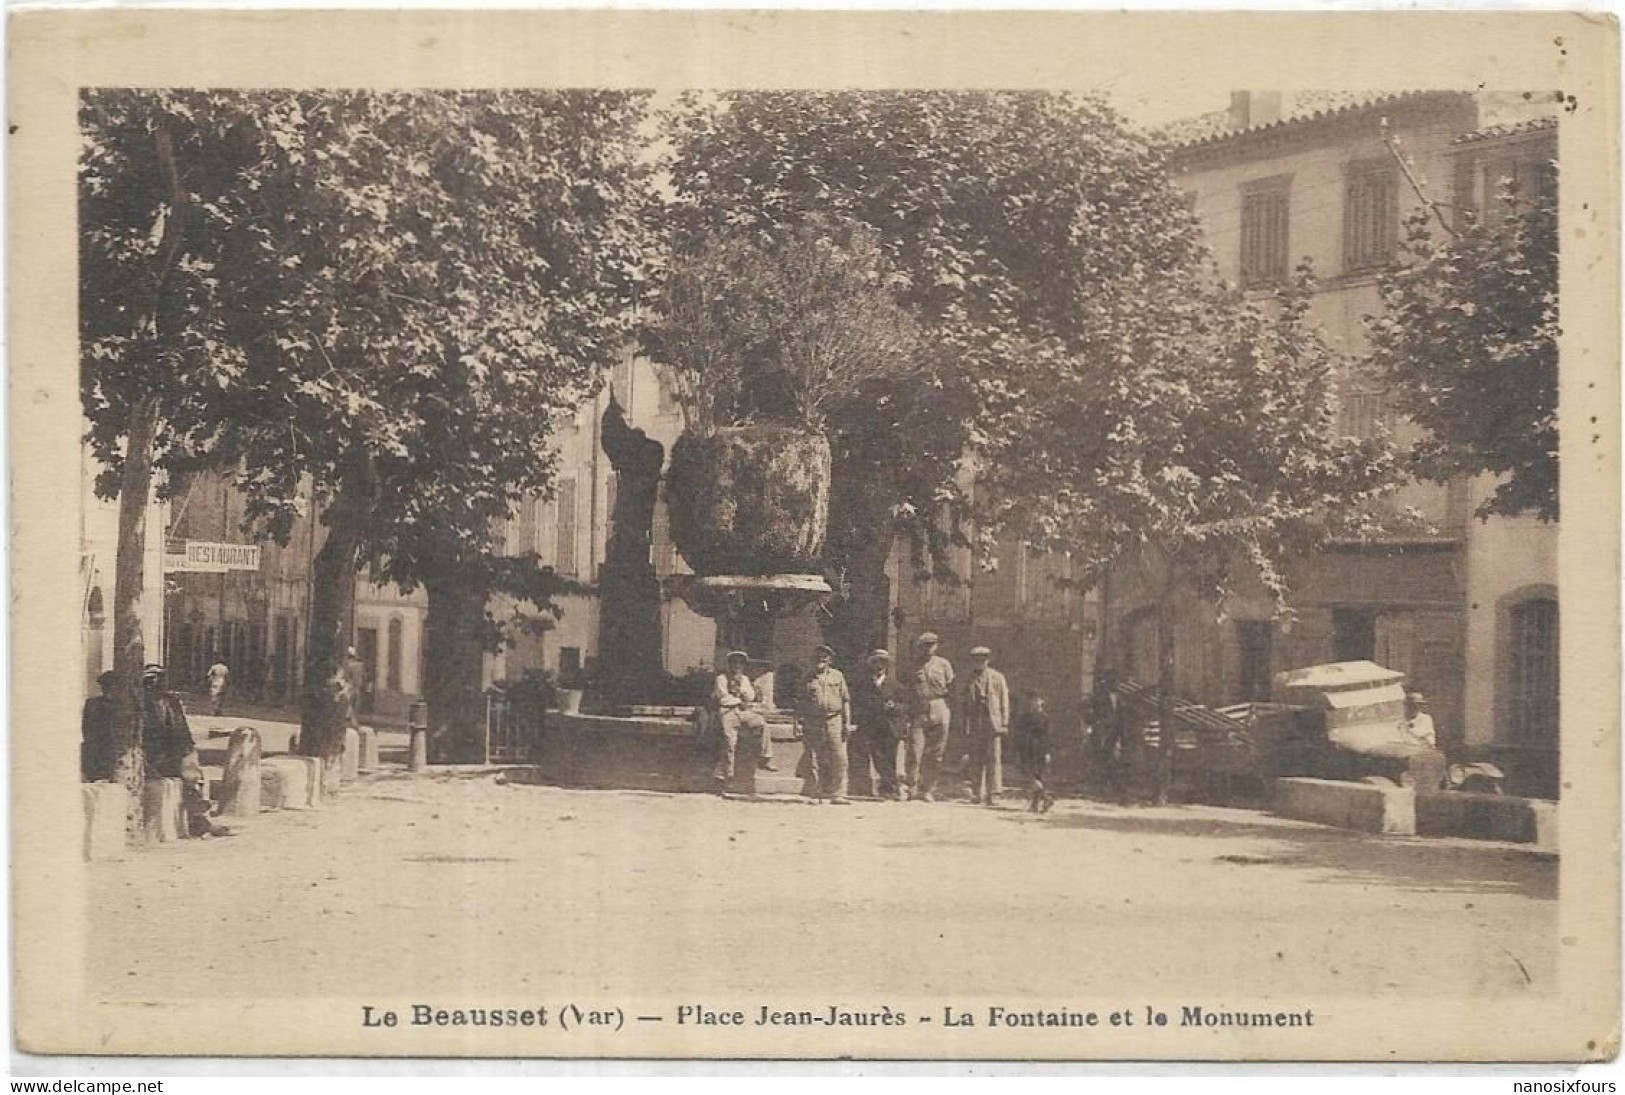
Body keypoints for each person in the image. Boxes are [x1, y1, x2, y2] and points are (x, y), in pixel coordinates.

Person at [139, 664, 230, 838]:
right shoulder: (139, 704)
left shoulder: (171, 702)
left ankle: (200, 819)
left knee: (192, 776)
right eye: (151, 680)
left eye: (160, 679)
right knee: (184, 778)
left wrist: (189, 753)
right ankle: (199, 821)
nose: (157, 684)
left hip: (172, 753)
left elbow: (181, 731)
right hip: (150, 756)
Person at [712, 650, 773, 792]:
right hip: (727, 712)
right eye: (734, 662)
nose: (737, 666)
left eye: (740, 663)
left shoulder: (744, 679)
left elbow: (750, 697)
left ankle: (765, 756)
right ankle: (728, 777)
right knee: (729, 742)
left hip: (743, 711)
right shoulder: (721, 678)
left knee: (762, 723)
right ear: (729, 664)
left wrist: (742, 689)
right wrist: (739, 700)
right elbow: (723, 698)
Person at [849, 648, 906, 799]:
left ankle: (889, 789)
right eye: (876, 662)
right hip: (870, 726)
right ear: (872, 665)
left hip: (889, 727)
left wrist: (895, 707)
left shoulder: (895, 685)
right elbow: (857, 704)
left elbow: (906, 705)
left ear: (887, 666)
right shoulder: (864, 685)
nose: (879, 666)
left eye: (883, 663)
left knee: (889, 758)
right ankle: (863, 788)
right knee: (874, 756)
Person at [798, 645, 852, 805]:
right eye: (818, 657)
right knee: (814, 756)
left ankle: (838, 793)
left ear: (830, 660)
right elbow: (800, 702)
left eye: (825, 657)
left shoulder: (838, 676)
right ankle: (816, 792)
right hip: (813, 720)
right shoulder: (807, 677)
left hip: (834, 719)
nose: (821, 660)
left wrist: (847, 722)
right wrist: (798, 722)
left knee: (839, 757)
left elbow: (846, 700)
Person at [905, 632, 955, 802]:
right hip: (919, 709)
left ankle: (928, 789)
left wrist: (946, 710)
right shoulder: (912, 666)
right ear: (919, 647)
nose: (928, 648)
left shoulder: (944, 664)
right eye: (925, 645)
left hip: (939, 706)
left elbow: (951, 687)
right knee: (914, 750)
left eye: (932, 644)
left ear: (936, 646)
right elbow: (907, 690)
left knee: (935, 753)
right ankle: (911, 787)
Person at [959, 645, 1010, 805]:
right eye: (977, 660)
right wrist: (964, 724)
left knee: (994, 759)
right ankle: (977, 792)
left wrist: (1004, 722)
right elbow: (962, 703)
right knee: (976, 759)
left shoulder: (997, 677)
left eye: (983, 659)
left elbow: (1004, 701)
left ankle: (994, 793)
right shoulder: (968, 679)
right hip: (975, 722)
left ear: (988, 660)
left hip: (992, 723)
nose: (980, 662)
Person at [1014, 692, 1055, 813]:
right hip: (1026, 750)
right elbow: (1018, 735)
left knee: (1037, 776)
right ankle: (1040, 801)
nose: (1034, 703)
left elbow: (1048, 737)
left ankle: (1040, 801)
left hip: (1039, 750)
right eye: (1032, 701)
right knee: (1028, 774)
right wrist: (1017, 750)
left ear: (1042, 702)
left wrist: (1047, 752)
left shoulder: (1045, 718)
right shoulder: (1024, 717)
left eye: (1037, 700)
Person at [81, 670, 120, 782]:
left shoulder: (94, 703)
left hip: (108, 752)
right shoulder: (94, 704)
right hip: (100, 751)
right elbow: (89, 731)